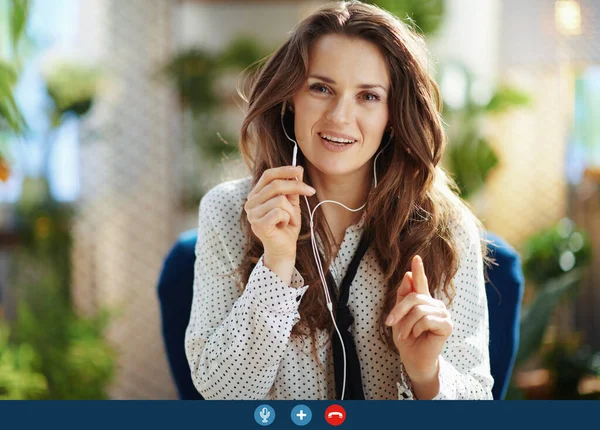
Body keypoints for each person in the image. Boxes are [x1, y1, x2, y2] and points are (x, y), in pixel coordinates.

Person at [184, 0, 493, 400]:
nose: (340, 117)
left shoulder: (445, 227)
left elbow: (477, 402)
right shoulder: (228, 211)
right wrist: (276, 264)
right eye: (321, 88)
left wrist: (426, 375)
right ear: (290, 96)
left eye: (368, 96)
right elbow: (222, 393)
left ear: (393, 114)